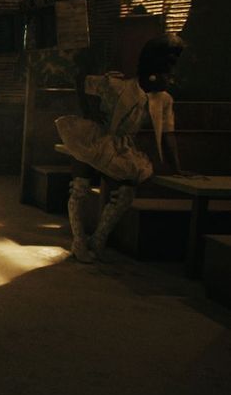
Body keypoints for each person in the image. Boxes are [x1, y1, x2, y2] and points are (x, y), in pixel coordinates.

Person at [55, 34, 184, 263]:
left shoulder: (164, 100)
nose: (169, 80)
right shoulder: (116, 85)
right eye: (166, 73)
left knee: (125, 193)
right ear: (152, 72)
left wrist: (177, 167)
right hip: (95, 137)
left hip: (121, 148)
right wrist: (89, 112)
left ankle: (98, 239)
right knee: (80, 188)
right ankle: (79, 241)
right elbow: (81, 80)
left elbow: (168, 135)